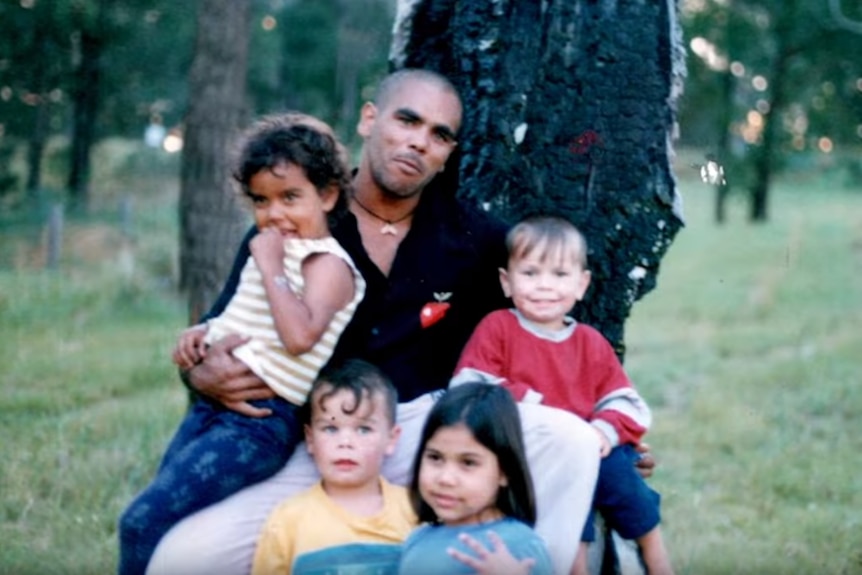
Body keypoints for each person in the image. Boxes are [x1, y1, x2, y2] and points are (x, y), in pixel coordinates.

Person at [146, 68, 605, 575]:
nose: (418, 143)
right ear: (369, 119)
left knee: (573, 440)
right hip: (321, 437)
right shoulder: (297, 220)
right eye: (406, 120)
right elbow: (217, 333)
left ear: (449, 153)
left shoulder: (475, 238)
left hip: (430, 437)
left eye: (439, 135)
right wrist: (199, 374)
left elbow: (538, 336)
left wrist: (615, 429)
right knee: (181, 560)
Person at [118, 114, 365, 575]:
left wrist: (270, 264)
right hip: (213, 411)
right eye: (261, 201)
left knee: (140, 522)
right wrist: (201, 337)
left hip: (259, 425)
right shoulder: (273, 250)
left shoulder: (329, 265)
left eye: (291, 197)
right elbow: (240, 316)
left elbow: (298, 338)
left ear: (328, 195)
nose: (274, 214)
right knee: (164, 516)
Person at [451, 215, 673, 575]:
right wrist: (537, 405)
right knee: (571, 495)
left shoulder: (589, 342)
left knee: (619, 474)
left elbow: (625, 401)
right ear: (507, 282)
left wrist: (605, 431)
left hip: (592, 448)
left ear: (582, 284)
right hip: (531, 452)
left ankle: (656, 556)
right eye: (530, 273)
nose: (544, 286)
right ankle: (576, 568)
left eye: (559, 274)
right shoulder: (498, 328)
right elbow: (469, 387)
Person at [251, 359, 413, 575]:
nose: (345, 442)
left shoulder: (413, 512)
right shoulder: (288, 521)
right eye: (330, 428)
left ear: (391, 439)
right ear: (310, 439)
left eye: (363, 429)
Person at [398, 382, 553, 575]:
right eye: (435, 457)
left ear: (505, 472)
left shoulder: (517, 546)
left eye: (468, 463)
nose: (446, 478)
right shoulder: (419, 538)